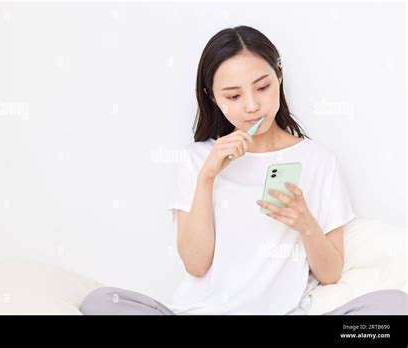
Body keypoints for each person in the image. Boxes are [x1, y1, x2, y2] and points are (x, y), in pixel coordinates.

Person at [80, 25, 407, 315]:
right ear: (212, 98)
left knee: (393, 307)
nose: (252, 105)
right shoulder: (197, 160)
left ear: (279, 77)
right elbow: (195, 265)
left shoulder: (318, 160)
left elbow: (332, 273)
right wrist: (207, 177)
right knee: (100, 301)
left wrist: (305, 223)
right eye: (234, 95)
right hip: (202, 311)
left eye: (263, 87)